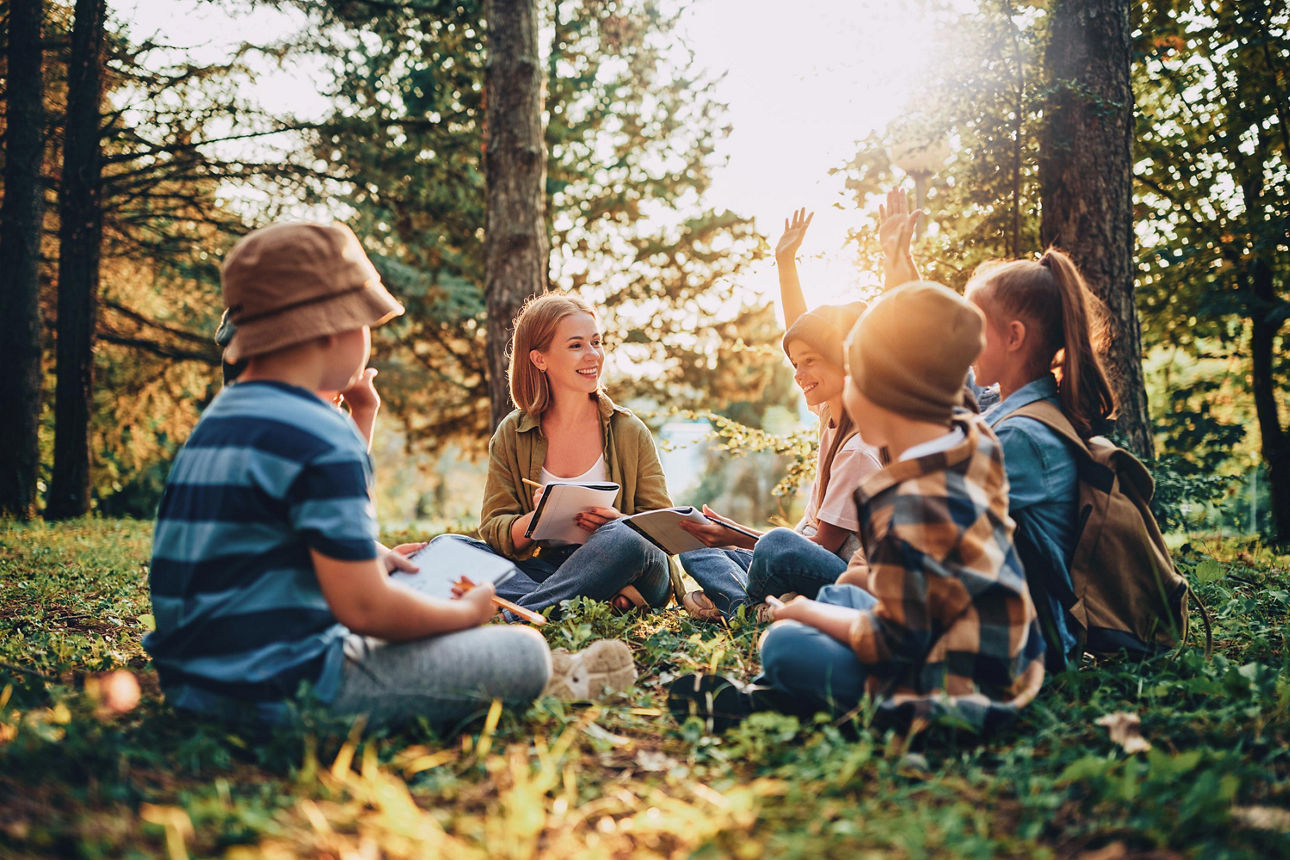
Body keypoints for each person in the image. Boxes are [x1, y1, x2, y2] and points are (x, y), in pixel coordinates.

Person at [144, 222, 555, 730]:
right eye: (365, 325)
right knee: (526, 656)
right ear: (332, 328)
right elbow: (364, 608)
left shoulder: (218, 421)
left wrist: (372, 558)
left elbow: (271, 539)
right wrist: (464, 616)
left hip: (192, 687)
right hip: (288, 691)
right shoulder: (321, 432)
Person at [669, 281, 1046, 734]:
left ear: (890, 389)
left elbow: (894, 639)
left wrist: (805, 613)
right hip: (992, 646)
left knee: (786, 644)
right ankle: (785, 697)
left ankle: (797, 702)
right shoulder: (970, 439)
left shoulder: (911, 500)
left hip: (960, 687)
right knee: (843, 591)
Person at [676, 204, 900, 622]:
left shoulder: (859, 447)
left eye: (810, 362)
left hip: (841, 575)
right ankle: (761, 604)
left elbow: (816, 550)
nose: (799, 374)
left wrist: (744, 538)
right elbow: (806, 329)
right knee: (697, 550)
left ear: (847, 359)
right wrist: (785, 263)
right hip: (803, 560)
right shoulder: (831, 414)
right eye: (795, 363)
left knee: (775, 545)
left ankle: (746, 608)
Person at [439, 293, 674, 617]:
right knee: (447, 547)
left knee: (627, 539)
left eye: (596, 342)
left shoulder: (628, 430)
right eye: (576, 346)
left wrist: (619, 523)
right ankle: (586, 601)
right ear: (539, 359)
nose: (593, 355)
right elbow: (494, 528)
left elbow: (665, 529)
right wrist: (535, 521)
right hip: (551, 570)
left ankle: (520, 613)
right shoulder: (512, 433)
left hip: (631, 564)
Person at [965, 249, 1116, 669]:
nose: (963, 339)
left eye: (973, 327)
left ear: (1014, 337)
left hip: (1028, 642)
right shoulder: (1019, 409)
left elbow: (944, 531)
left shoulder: (1020, 437)